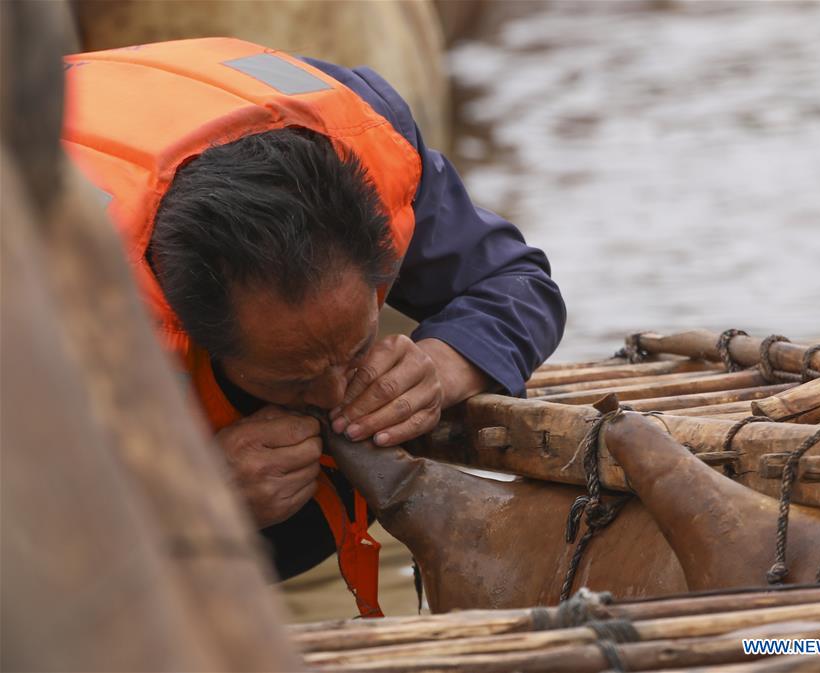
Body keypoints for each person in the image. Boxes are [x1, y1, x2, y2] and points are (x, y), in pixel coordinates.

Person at [62, 38, 565, 616]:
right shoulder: (49, 279)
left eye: (355, 350)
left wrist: (447, 361)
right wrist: (185, 498)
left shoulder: (366, 138)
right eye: (293, 379)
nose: (336, 396)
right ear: (189, 324)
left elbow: (513, 279)